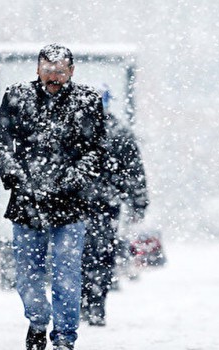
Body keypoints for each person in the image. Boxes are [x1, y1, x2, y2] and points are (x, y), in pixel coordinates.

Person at [0, 44, 107, 350]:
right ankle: (38, 320)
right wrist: (16, 176)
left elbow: (96, 148)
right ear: (37, 69)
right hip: (27, 201)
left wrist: (73, 178)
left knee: (67, 271)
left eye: (59, 71)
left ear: (71, 71)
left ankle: (65, 337)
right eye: (47, 70)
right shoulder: (17, 96)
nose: (53, 77)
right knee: (28, 272)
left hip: (71, 201)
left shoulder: (87, 100)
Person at [81, 85, 149, 327]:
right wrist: (138, 202)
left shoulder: (76, 129)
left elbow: (133, 171)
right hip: (104, 204)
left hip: (82, 204)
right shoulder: (118, 131)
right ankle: (95, 302)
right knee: (100, 254)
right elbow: (134, 172)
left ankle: (86, 302)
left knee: (83, 254)